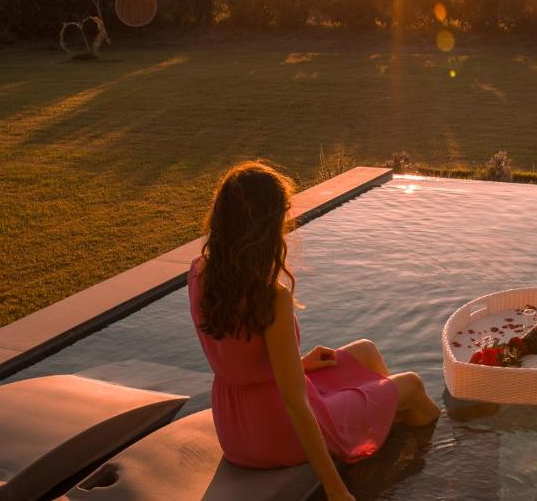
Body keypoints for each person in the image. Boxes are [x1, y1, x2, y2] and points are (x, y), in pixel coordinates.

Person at [188, 161, 439, 501]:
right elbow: (295, 404)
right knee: (413, 386)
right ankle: (438, 464)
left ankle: (374, 431)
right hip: (276, 432)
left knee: (365, 351)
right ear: (266, 226)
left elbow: (239, 359)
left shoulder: (201, 273)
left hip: (235, 428)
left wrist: (300, 364)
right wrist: (336, 489)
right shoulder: (271, 297)